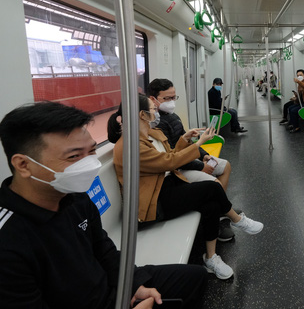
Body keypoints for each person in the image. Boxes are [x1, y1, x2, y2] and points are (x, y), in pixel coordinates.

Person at [0, 102, 207, 308]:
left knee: (193, 278)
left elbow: (103, 250)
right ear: (23, 165)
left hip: (107, 286)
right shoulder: (9, 240)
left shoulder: (75, 197)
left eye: (91, 151)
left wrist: (135, 283)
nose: (87, 164)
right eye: (74, 156)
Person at [108, 95, 263, 280]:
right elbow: (168, 162)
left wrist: (184, 139)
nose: (156, 111)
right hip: (153, 203)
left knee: (211, 204)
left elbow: (170, 154)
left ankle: (211, 257)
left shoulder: (151, 135)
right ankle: (236, 219)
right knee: (212, 189)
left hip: (166, 187)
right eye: (153, 109)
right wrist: (198, 144)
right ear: (142, 114)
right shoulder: (130, 146)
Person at [147, 78, 231, 191]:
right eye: (167, 98)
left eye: (173, 97)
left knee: (225, 166)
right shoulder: (157, 123)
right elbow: (172, 156)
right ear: (153, 99)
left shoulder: (173, 116)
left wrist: (204, 155)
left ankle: (220, 205)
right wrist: (201, 166)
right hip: (177, 168)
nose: (171, 102)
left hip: (187, 158)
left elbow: (188, 143)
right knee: (215, 185)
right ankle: (220, 205)